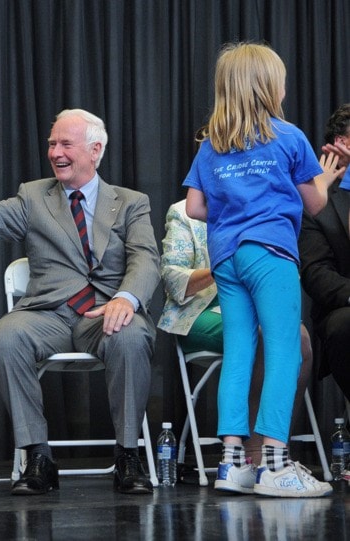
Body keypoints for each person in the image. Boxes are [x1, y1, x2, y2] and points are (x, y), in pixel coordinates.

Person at [0, 109, 161, 495]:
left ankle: (127, 456)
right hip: (48, 315)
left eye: (65, 144)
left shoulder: (130, 202)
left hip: (106, 312)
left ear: (95, 149)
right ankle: (38, 456)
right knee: (5, 335)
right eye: (52, 143)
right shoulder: (34, 196)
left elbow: (146, 258)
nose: (55, 152)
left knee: (131, 335)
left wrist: (126, 298)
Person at [182, 42, 342, 498]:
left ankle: (232, 464)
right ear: (269, 86)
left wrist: (236, 203)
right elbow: (313, 203)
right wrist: (324, 183)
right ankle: (274, 462)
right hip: (270, 255)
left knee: (238, 354)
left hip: (227, 257)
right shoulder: (288, 136)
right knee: (284, 351)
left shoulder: (212, 145)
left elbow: (195, 207)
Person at [158, 199, 314, 473]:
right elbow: (172, 279)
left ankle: (275, 447)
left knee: (298, 338)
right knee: (261, 337)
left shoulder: (260, 208)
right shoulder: (184, 211)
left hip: (251, 310)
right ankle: (254, 456)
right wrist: (222, 268)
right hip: (198, 311)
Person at [298, 103, 350, 404]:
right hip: (344, 306)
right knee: (345, 325)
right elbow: (316, 274)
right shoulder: (316, 199)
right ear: (341, 142)